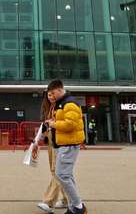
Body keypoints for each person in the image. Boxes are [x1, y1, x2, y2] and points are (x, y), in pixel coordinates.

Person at [44, 79, 87, 214]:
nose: (51, 96)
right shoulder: (62, 104)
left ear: (59, 90)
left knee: (62, 175)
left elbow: (70, 125)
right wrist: (53, 122)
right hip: (64, 144)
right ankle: (75, 205)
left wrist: (53, 124)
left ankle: (78, 206)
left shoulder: (69, 104)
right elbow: (66, 122)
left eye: (52, 93)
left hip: (68, 144)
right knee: (66, 175)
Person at [35, 93, 67, 213]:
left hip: (59, 141)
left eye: (53, 94)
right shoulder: (49, 108)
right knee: (56, 171)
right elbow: (44, 125)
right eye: (49, 94)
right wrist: (37, 139)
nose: (51, 96)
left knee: (57, 171)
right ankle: (67, 200)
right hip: (51, 141)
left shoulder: (62, 106)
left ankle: (48, 202)